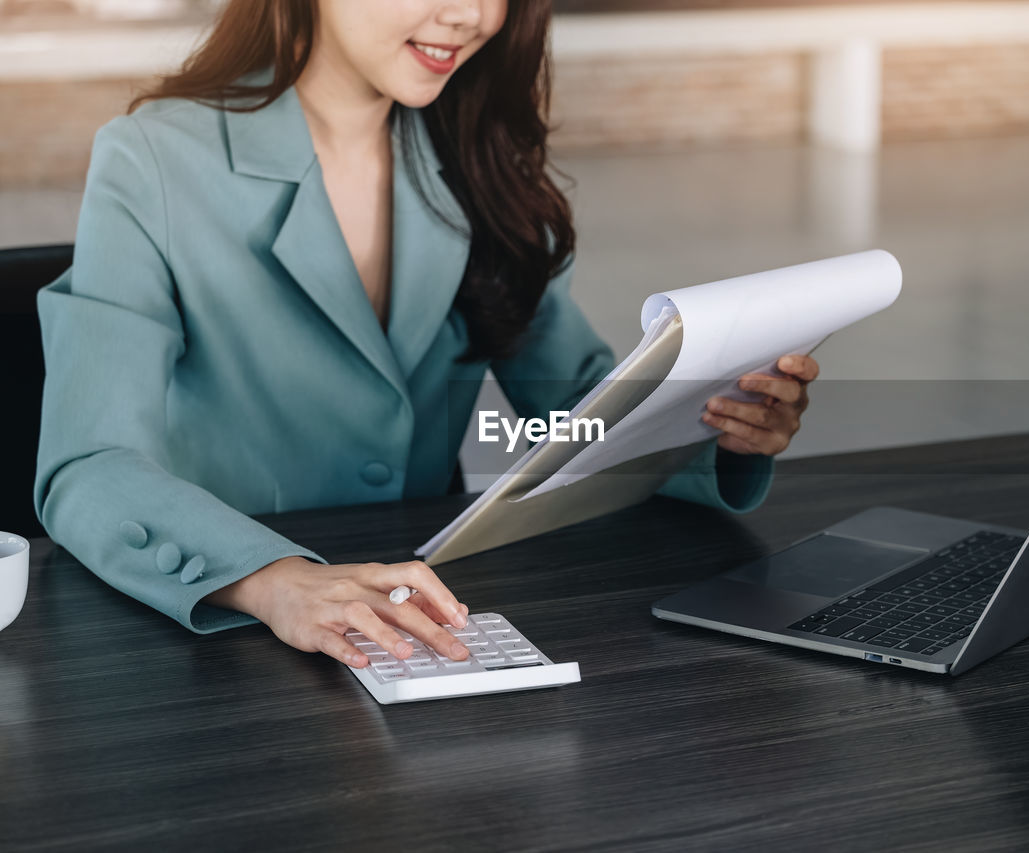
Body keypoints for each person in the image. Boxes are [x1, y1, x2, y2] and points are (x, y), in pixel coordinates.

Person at [35, 0, 819, 671]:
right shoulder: (155, 160)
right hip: (227, 637)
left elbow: (577, 409)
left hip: (427, 619)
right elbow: (90, 463)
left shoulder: (478, 156)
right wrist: (272, 579)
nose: (469, 16)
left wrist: (716, 419)